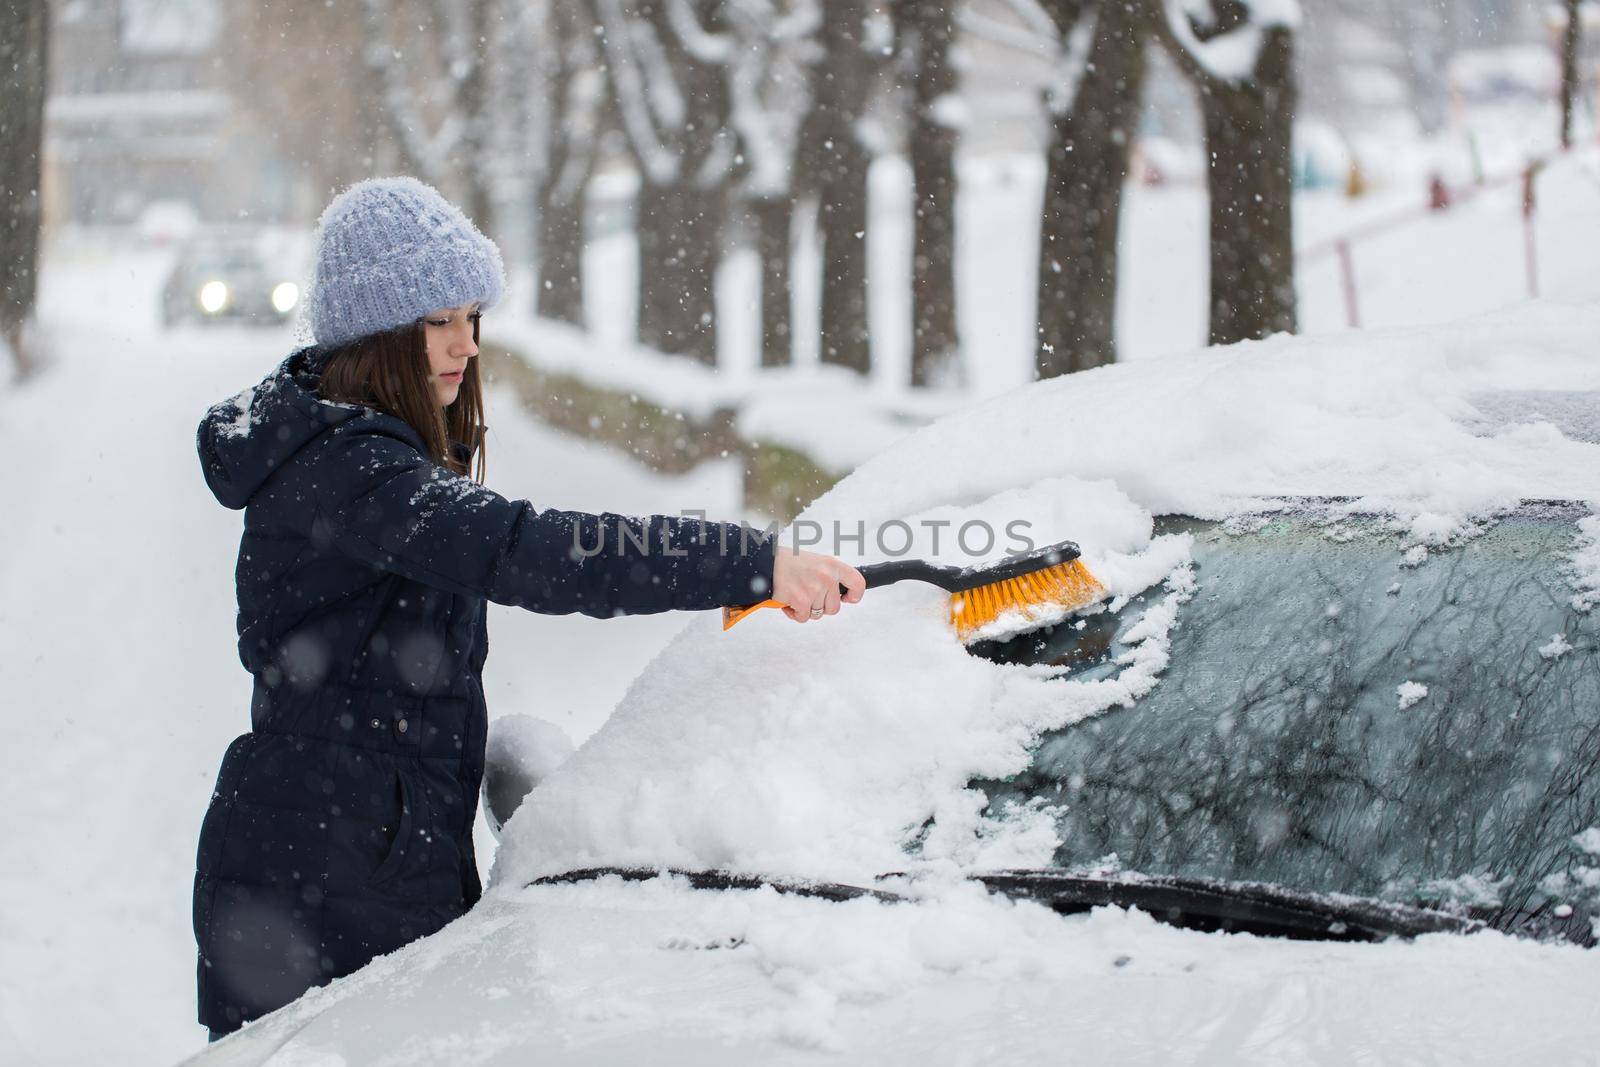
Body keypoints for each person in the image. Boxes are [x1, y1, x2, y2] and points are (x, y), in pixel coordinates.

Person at [191, 176, 865, 1042]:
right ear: (376, 332)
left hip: (355, 854)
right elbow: (535, 552)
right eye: (438, 321)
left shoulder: (357, 453)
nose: (465, 344)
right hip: (316, 882)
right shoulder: (350, 470)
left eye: (473, 319)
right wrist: (751, 563)